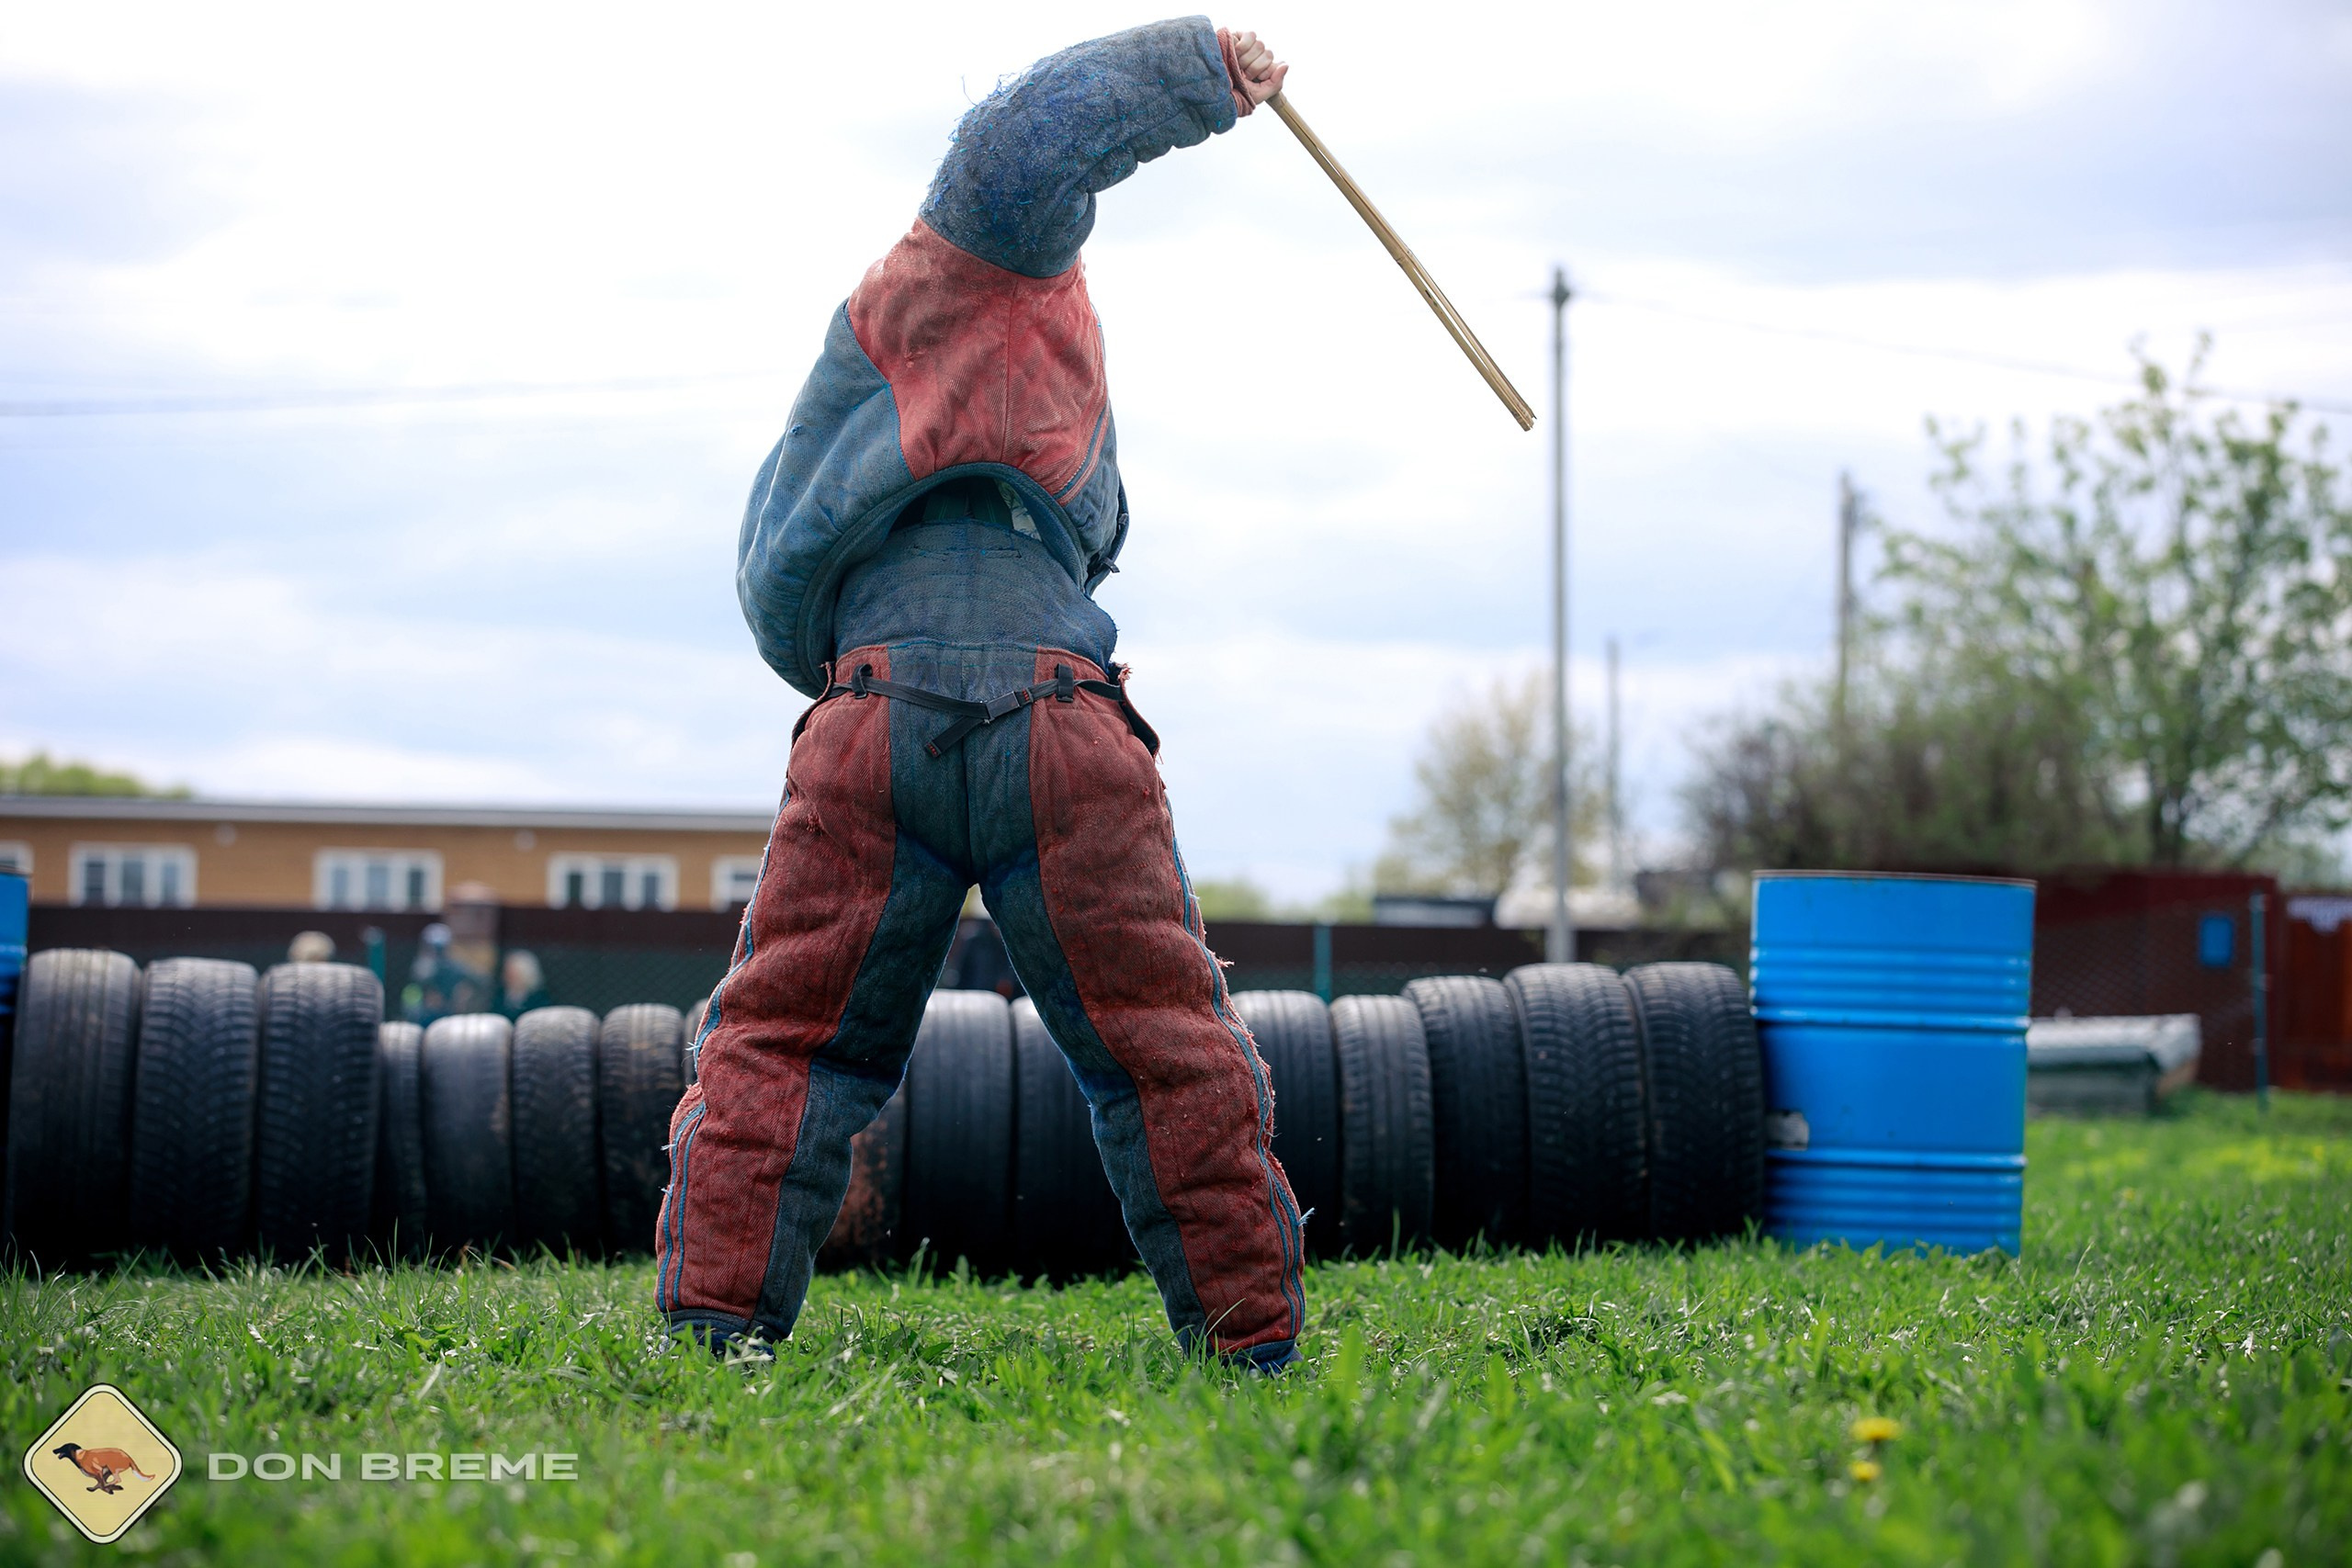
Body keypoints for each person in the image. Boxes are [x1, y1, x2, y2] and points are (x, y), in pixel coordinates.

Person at [658, 19, 1306, 1371]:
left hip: (870, 716)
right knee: (1165, 1048)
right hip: (1063, 724)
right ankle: (1251, 1346)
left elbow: (786, 596)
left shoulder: (893, 357)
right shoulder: (983, 248)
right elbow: (1026, 135)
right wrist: (1202, 66)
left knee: (783, 1036)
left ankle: (717, 1328)